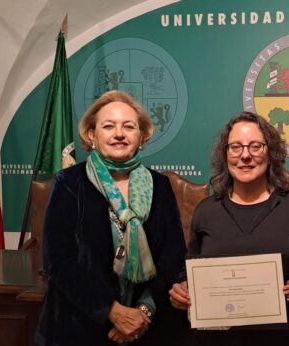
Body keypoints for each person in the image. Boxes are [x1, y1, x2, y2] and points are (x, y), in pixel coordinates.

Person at [36, 90, 187, 345]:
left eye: (129, 126)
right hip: (80, 326)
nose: (119, 134)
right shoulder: (69, 183)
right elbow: (59, 260)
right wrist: (112, 311)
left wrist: (144, 310)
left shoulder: (160, 185)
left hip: (148, 326)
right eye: (108, 126)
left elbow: (172, 255)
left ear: (141, 136)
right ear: (92, 135)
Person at [168, 112, 289, 345]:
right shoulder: (206, 211)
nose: (245, 155)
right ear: (225, 154)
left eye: (255, 146)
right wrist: (183, 290)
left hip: (282, 338)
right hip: (216, 338)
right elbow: (189, 268)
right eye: (235, 147)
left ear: (270, 152)